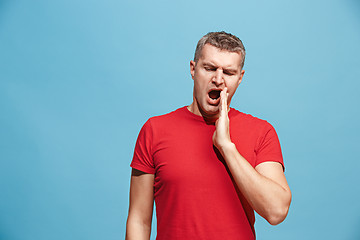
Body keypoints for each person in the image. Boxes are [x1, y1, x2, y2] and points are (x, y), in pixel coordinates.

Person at [126, 31, 291, 240]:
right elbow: (139, 220)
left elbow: (276, 211)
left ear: (239, 78)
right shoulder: (154, 130)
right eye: (210, 68)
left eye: (229, 72)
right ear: (193, 69)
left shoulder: (261, 132)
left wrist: (227, 147)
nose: (218, 79)